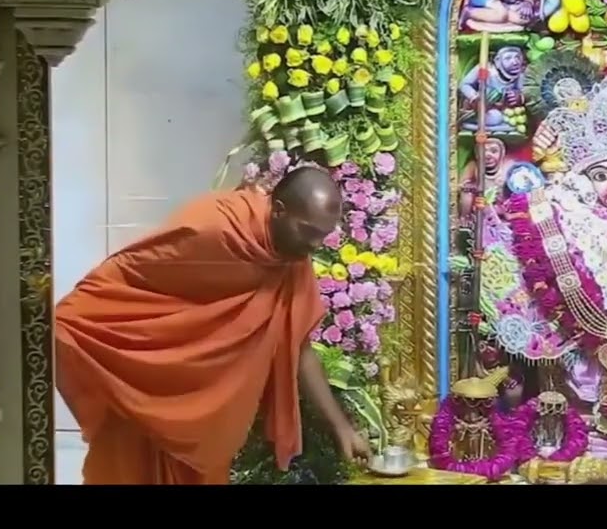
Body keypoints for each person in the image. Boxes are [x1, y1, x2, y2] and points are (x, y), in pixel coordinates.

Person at [54, 166, 372, 485]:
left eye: (323, 235)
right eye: (308, 231)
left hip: (205, 412)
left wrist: (342, 428)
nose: (316, 245)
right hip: (148, 390)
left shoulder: (291, 262)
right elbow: (125, 275)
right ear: (278, 210)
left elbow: (300, 349)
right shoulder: (211, 228)